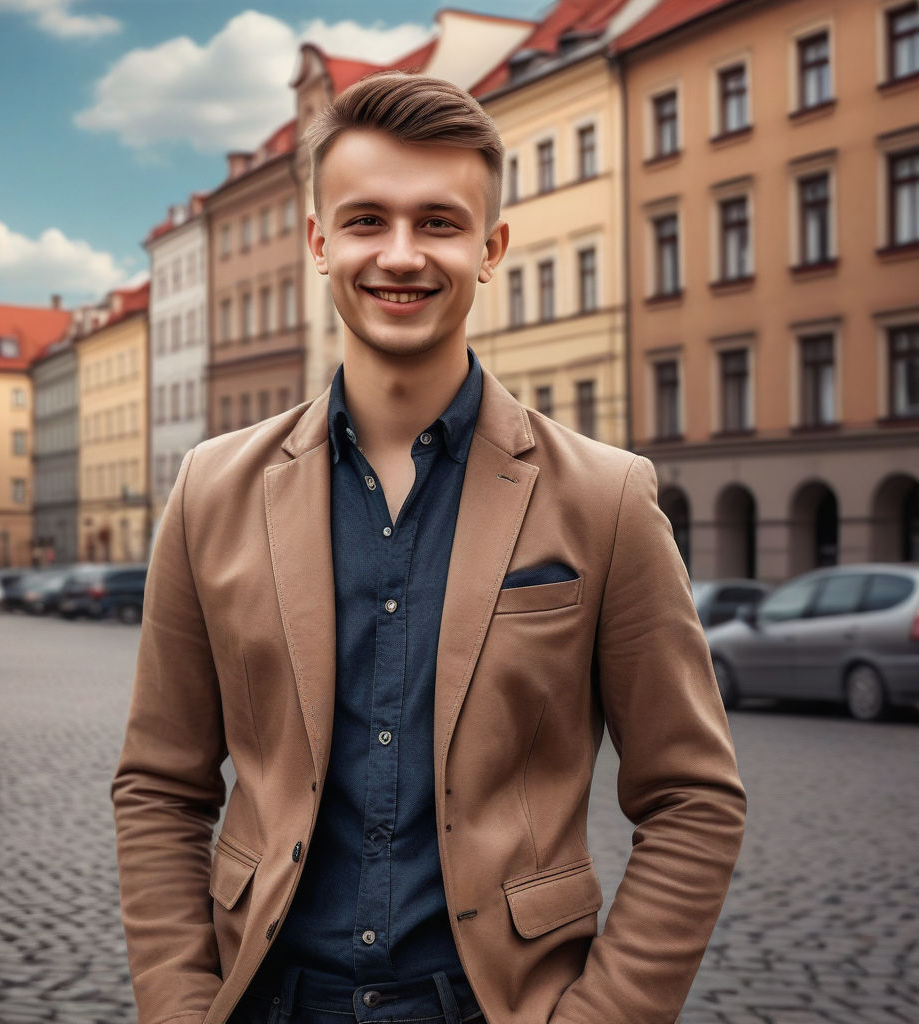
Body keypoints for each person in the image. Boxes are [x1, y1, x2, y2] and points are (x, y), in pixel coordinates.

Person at [113, 72, 746, 1024]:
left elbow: (694, 799)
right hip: (269, 999)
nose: (401, 255)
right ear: (320, 242)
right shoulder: (213, 488)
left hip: (492, 1003)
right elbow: (161, 786)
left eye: (439, 223)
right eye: (366, 220)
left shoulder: (605, 497)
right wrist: (178, 1005)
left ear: (490, 249)